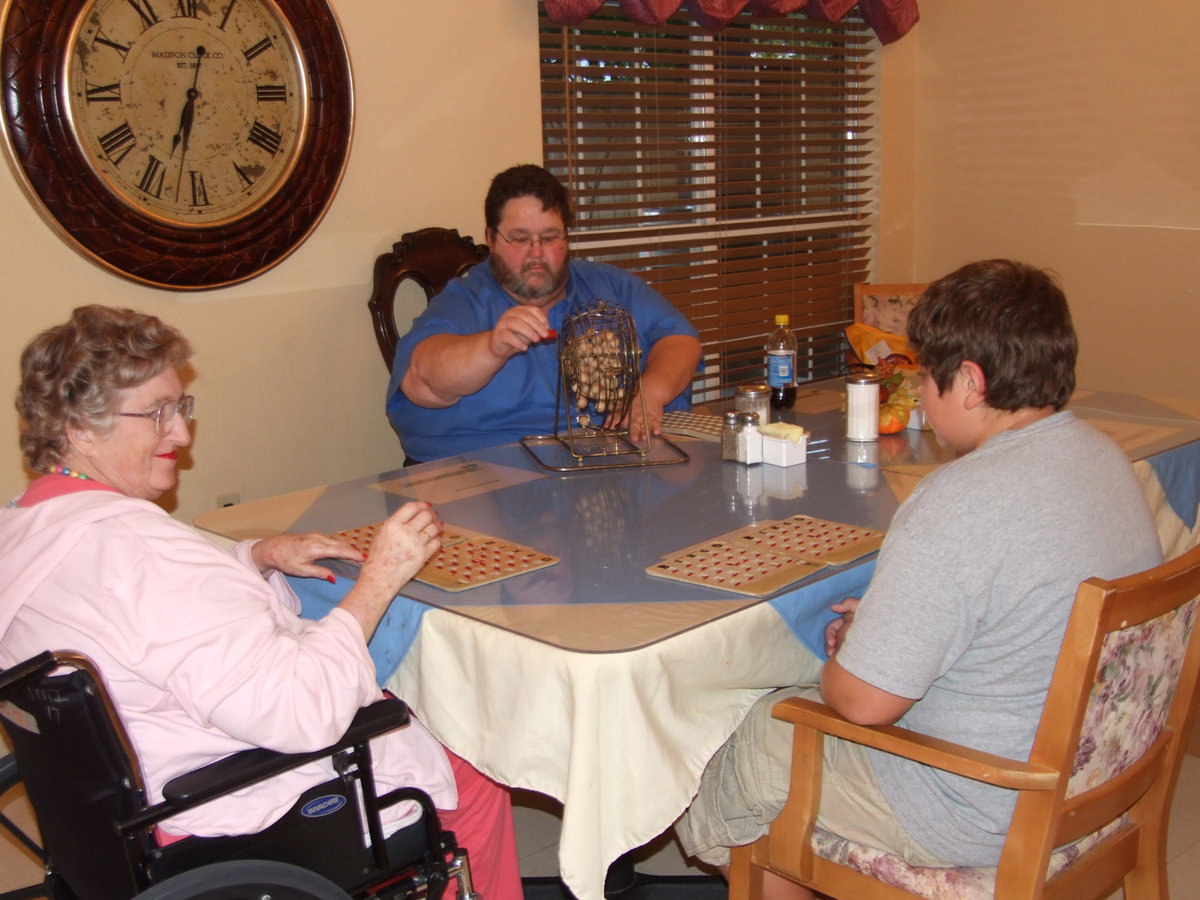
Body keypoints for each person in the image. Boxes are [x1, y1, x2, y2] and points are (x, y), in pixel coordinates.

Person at [674, 259, 1164, 899]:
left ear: (969, 383)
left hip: (981, 806)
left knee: (761, 727)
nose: (920, 398)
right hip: (1095, 776)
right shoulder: (1107, 459)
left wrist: (856, 647)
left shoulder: (958, 499)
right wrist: (886, 630)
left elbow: (862, 704)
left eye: (925, 377)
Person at [0, 306, 522, 899]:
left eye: (181, 406)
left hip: (116, 823)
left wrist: (255, 557)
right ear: (80, 431)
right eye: (156, 414)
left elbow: (142, 618)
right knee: (472, 769)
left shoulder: (25, 529)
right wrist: (381, 576)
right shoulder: (144, 552)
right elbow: (302, 711)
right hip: (225, 816)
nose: (180, 433)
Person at [387, 163, 703, 464]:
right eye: (521, 239)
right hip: (493, 474)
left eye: (550, 238)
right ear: (491, 239)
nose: (536, 253)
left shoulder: (609, 285)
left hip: (606, 467)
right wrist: (492, 347)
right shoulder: (466, 301)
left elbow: (681, 341)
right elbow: (420, 382)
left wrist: (649, 393)